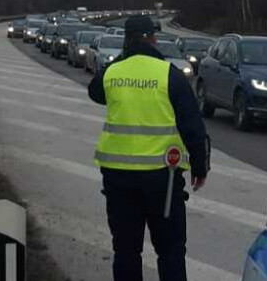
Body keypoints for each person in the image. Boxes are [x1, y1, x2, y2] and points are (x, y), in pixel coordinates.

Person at [88, 15, 209, 281]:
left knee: (126, 250)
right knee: (170, 250)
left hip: (118, 178)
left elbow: (94, 92)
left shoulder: (113, 72)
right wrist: (200, 167)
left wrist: (123, 58)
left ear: (126, 40)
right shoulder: (170, 75)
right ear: (153, 38)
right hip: (162, 179)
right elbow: (193, 126)